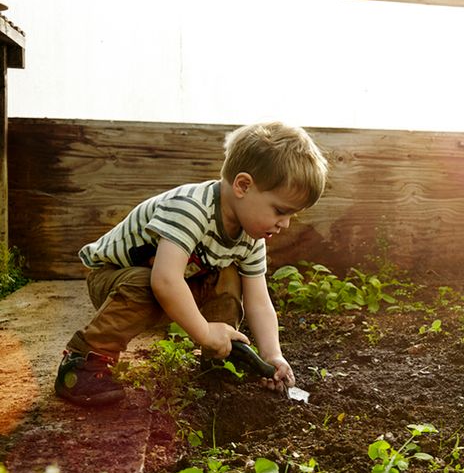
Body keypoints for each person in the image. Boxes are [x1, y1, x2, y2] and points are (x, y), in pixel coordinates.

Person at [54, 121, 329, 406]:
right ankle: (83, 361)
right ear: (243, 185)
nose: (284, 224)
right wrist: (204, 331)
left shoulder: (250, 237)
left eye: (291, 216)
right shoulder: (191, 208)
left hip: (172, 284)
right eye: (280, 211)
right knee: (147, 283)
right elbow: (165, 281)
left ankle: (219, 359)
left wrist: (273, 356)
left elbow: (259, 301)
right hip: (113, 281)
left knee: (229, 276)